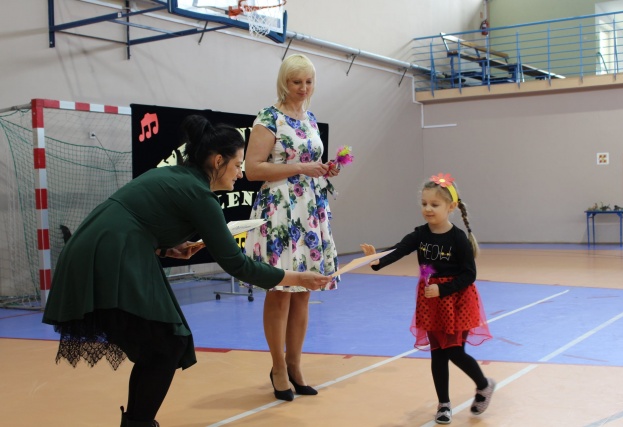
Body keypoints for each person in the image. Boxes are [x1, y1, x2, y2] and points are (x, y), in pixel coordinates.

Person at [42, 115, 333, 427]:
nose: (240, 173)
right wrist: (296, 278)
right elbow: (236, 264)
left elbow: (140, 220)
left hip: (101, 248)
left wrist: (167, 249)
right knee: (166, 345)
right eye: (237, 165)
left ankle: (138, 422)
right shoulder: (198, 194)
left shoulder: (178, 176)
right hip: (109, 254)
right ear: (218, 161)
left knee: (161, 346)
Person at [243, 53, 340, 401]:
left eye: (308, 82)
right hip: (281, 210)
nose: (303, 88)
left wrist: (323, 169)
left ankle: (296, 365)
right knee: (281, 291)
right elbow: (252, 169)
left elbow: (309, 162)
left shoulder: (310, 118)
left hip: (310, 209)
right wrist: (301, 167)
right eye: (296, 81)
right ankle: (278, 367)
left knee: (305, 292)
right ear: (285, 82)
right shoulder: (268, 117)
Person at [361, 173, 494, 425]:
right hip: (431, 302)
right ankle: (444, 404)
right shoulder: (420, 235)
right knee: (437, 353)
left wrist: (443, 290)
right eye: (424, 204)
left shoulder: (458, 238)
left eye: (434, 204)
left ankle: (483, 384)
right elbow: (399, 250)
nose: (428, 209)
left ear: (451, 207)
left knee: (454, 350)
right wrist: (376, 260)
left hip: (456, 301)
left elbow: (469, 275)